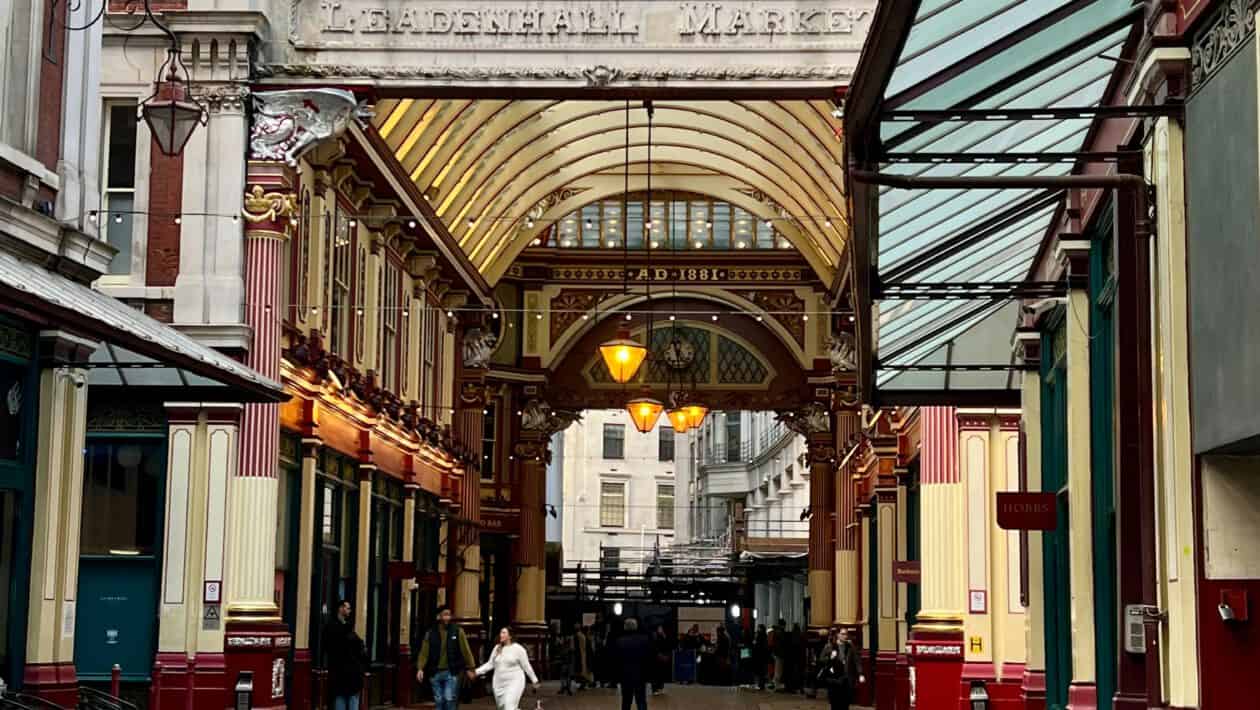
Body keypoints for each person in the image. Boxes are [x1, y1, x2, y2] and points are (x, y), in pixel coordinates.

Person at [415, 607, 477, 710]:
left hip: (451, 672)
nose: (447, 617)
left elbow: (466, 651)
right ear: (439, 616)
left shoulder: (458, 631)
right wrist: (420, 668)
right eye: (445, 614)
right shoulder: (430, 632)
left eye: (449, 614)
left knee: (449, 699)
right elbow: (424, 652)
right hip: (435, 672)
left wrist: (471, 668)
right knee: (439, 701)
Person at [475, 627, 540, 710]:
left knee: (509, 706)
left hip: (515, 681)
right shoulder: (497, 648)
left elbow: (526, 666)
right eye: (500, 633)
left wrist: (534, 680)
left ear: (510, 636)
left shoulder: (519, 649)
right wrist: (476, 672)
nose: (501, 635)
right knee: (503, 707)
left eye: (503, 632)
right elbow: (490, 664)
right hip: (498, 684)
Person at [322, 600, 367, 710]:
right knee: (348, 698)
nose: (349, 611)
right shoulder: (338, 628)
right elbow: (357, 645)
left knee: (341, 697)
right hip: (347, 672)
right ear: (340, 609)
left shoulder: (343, 626)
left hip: (342, 672)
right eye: (348, 608)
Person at [614, 618, 654, 710]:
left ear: (625, 627)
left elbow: (617, 660)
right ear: (636, 627)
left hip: (625, 676)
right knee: (641, 701)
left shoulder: (620, 641)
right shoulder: (644, 639)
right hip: (640, 675)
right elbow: (649, 658)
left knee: (626, 702)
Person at [818, 628, 862, 710]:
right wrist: (830, 657)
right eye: (842, 634)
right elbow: (821, 659)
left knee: (845, 704)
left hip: (846, 679)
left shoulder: (850, 647)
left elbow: (857, 661)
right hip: (834, 679)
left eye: (846, 634)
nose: (845, 636)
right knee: (835, 704)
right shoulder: (830, 646)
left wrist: (860, 674)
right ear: (838, 635)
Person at [651, 625, 671, 695]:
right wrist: (659, 655)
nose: (661, 629)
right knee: (655, 674)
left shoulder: (664, 636)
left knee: (662, 673)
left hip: (663, 657)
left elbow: (667, 646)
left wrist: (666, 655)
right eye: (659, 628)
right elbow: (653, 646)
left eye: (661, 628)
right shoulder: (654, 636)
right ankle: (655, 689)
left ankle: (660, 688)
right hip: (656, 658)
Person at [770, 619, 787, 691]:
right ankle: (777, 685)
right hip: (780, 653)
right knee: (778, 670)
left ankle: (775, 684)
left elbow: (774, 643)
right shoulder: (780, 632)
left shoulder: (776, 632)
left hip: (777, 653)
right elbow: (781, 644)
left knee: (777, 669)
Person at [752, 624, 770, 690]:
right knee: (762, 671)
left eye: (758, 628)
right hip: (763, 657)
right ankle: (761, 684)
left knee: (760, 671)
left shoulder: (759, 636)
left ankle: (760, 684)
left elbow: (756, 646)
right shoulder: (765, 636)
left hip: (759, 656)